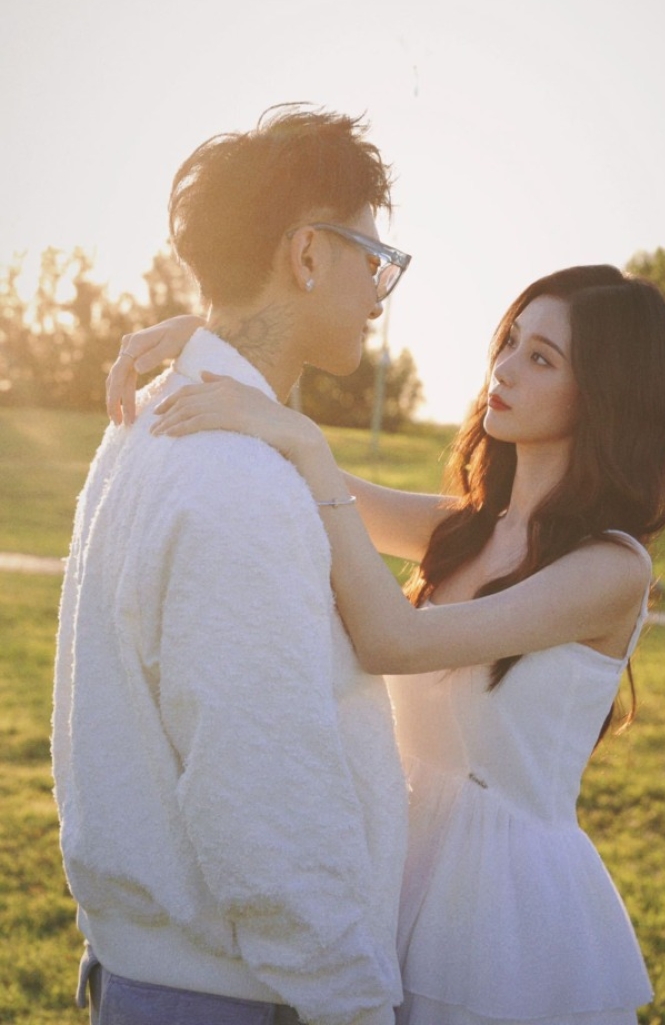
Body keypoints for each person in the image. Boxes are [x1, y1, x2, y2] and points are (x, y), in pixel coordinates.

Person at [108, 263, 665, 1024]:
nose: (504, 369)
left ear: (605, 396)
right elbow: (295, 473)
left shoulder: (611, 569)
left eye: (542, 358)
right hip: (397, 860)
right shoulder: (468, 529)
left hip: (501, 908)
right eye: (510, 342)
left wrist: (306, 440)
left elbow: (394, 640)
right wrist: (212, 345)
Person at [52, 105, 414, 1025]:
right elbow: (262, 787)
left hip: (157, 976)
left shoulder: (151, 424)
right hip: (233, 995)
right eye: (374, 258)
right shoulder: (237, 479)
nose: (379, 293)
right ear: (307, 254)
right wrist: (354, 1001)